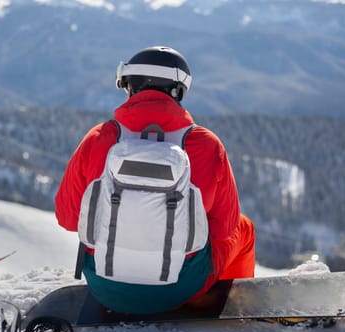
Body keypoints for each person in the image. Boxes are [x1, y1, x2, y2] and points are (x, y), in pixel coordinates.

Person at [55, 46, 255, 314]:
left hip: (106, 286)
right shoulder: (205, 145)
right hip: (182, 287)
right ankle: (233, 302)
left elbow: (68, 219)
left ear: (129, 86)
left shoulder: (99, 138)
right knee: (244, 228)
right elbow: (224, 230)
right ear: (179, 91)